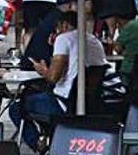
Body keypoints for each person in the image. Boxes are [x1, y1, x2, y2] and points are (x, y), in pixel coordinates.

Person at [11, 11, 107, 148]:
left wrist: (42, 70)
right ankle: (55, 139)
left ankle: (38, 143)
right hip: (91, 104)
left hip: (63, 104)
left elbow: (53, 77)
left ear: (64, 25)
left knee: (16, 107)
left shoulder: (64, 39)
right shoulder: (94, 41)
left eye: (57, 28)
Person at [19, 0, 76, 71]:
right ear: (71, 5)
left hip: (32, 63)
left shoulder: (52, 17)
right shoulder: (61, 21)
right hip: (40, 67)